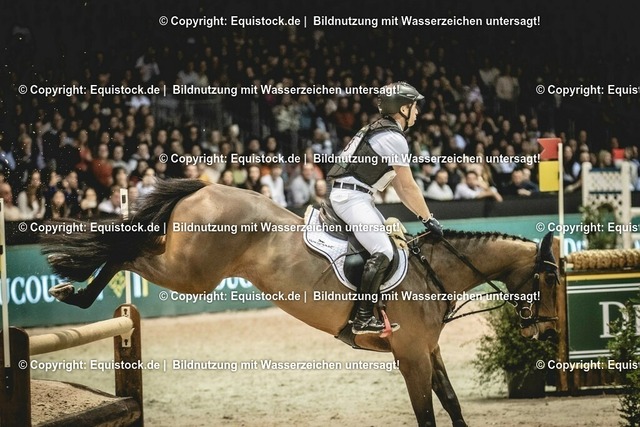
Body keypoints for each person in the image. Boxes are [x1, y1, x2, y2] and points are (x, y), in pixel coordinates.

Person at [326, 81, 443, 335]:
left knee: (389, 244)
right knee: (383, 250)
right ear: (403, 109)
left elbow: (400, 188)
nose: (417, 112)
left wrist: (424, 217)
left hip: (356, 195)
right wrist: (428, 218)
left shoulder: (379, 130)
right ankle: (362, 317)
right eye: (414, 107)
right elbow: (408, 187)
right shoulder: (393, 138)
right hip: (351, 197)